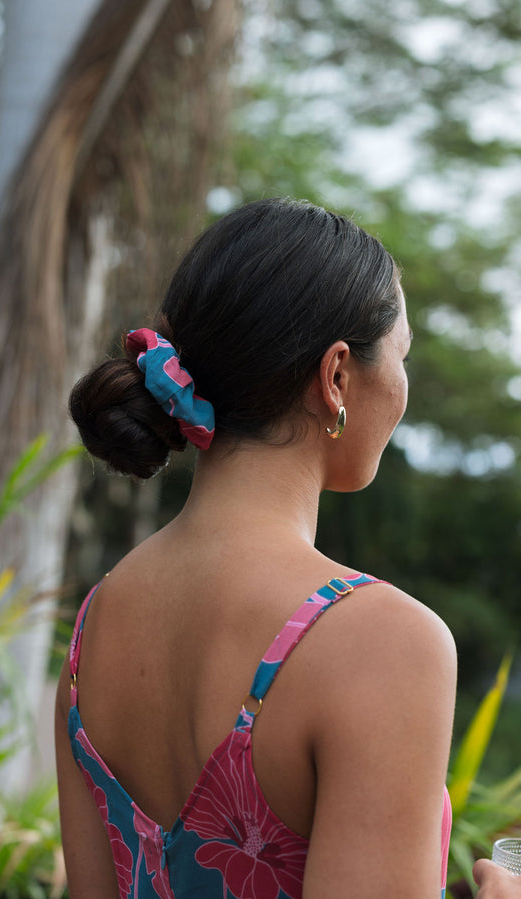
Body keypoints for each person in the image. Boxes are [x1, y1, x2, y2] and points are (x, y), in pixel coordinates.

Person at [54, 197, 500, 899]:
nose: (404, 387)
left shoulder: (96, 627)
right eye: (402, 355)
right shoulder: (382, 640)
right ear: (337, 376)